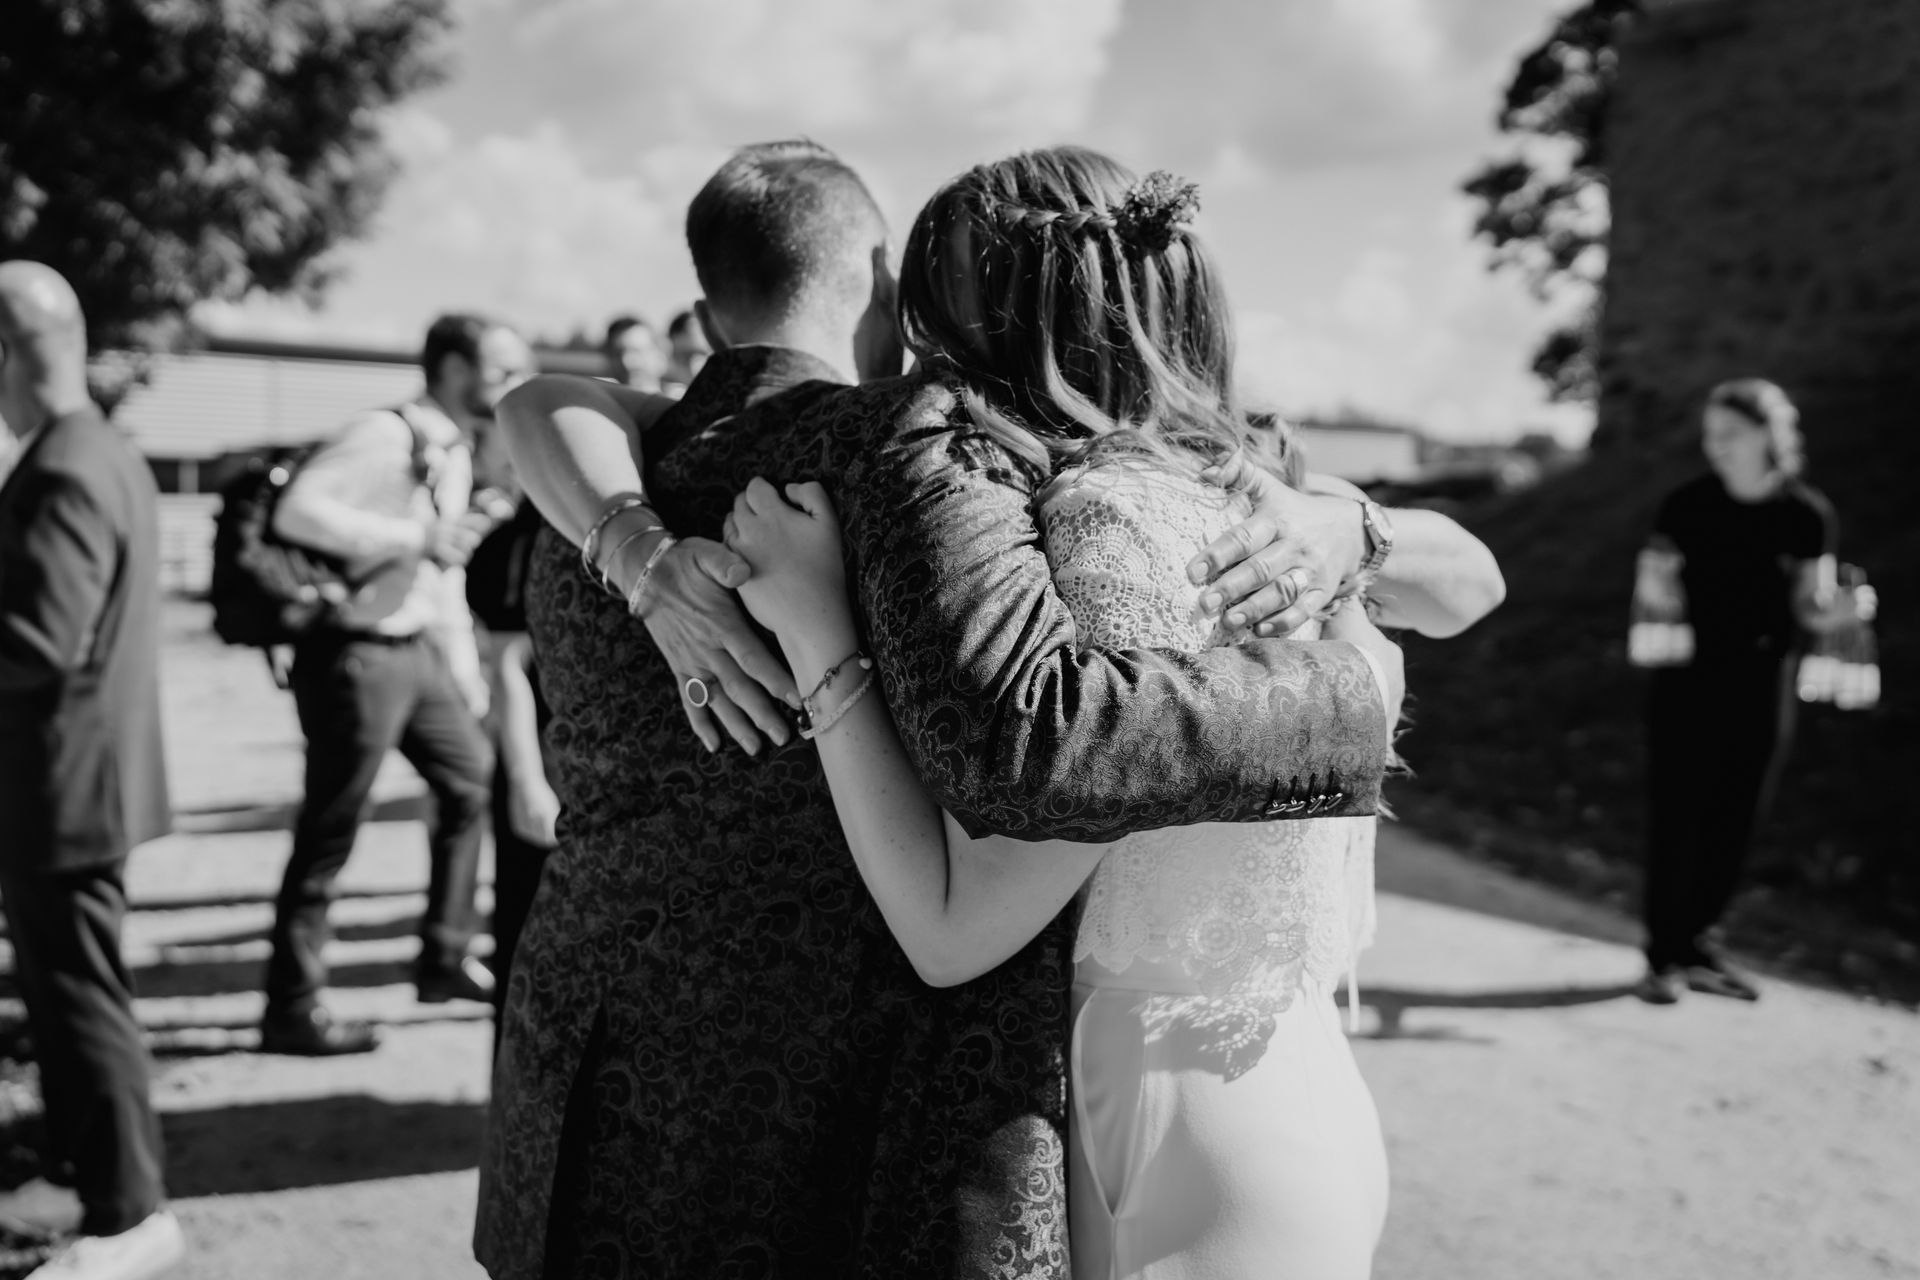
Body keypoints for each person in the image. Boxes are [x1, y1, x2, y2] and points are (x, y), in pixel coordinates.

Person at [484, 141, 1496, 1277]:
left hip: (586, 1066)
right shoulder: (1033, 469)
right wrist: (1361, 613)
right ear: (877, 273)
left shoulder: (605, 484)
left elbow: (538, 398)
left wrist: (656, 558)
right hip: (896, 1098)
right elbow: (1464, 585)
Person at [259, 313, 532, 1055]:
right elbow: (298, 509)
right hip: (354, 655)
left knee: (471, 782)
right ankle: (291, 1006)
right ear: (455, 368)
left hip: (415, 653)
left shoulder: (455, 449)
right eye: (504, 368)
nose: (515, 382)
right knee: (332, 826)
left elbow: (441, 582)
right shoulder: (383, 433)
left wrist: (466, 677)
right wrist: (415, 536)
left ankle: (443, 955)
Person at [0, 261, 183, 1279]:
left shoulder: (64, 464)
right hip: (76, 779)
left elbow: (38, 641)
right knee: (64, 992)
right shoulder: (101, 449)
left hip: (60, 786)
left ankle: (130, 1215)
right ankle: (83, 1179)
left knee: (80, 1001)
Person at [1634, 378, 1864, 1005]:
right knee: (1676, 814)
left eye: (1730, 434)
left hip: (1762, 682)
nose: (1716, 446)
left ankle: (1698, 946)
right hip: (1686, 682)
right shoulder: (1685, 505)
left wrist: (1841, 613)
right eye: (1711, 435)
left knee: (1736, 817)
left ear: (1769, 434)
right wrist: (1656, 587)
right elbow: (1655, 586)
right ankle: (1662, 956)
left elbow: (1811, 605)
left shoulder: (1806, 514)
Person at [600, 314, 666, 392]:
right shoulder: (594, 398)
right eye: (617, 354)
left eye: (636, 352)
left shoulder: (676, 395)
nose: (626, 363)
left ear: (660, 356)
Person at [660, 308, 710, 396]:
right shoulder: (663, 378)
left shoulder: (705, 372)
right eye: (695, 332)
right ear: (676, 337)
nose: (703, 337)